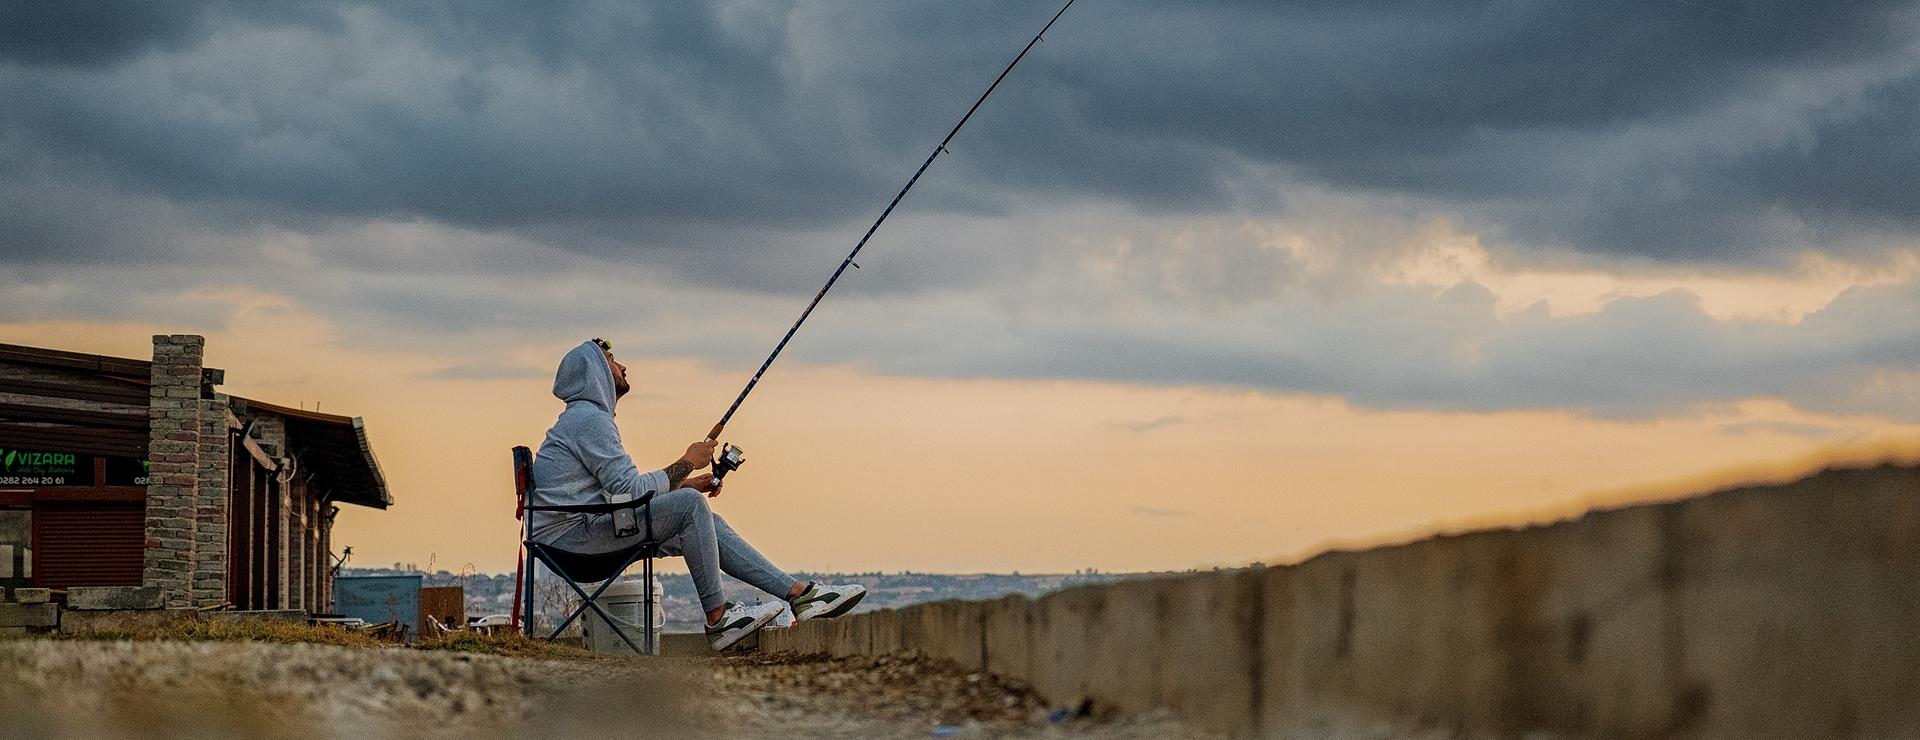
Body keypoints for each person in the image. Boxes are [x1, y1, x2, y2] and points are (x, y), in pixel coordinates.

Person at [530, 338, 866, 650]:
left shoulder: (584, 420)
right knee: (691, 508)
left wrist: (685, 482)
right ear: (596, 373)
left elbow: (619, 492)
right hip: (572, 544)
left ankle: (800, 596)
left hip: (580, 533)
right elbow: (630, 491)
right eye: (613, 361)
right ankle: (719, 620)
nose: (622, 367)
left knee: (702, 516)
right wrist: (687, 462)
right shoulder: (590, 422)